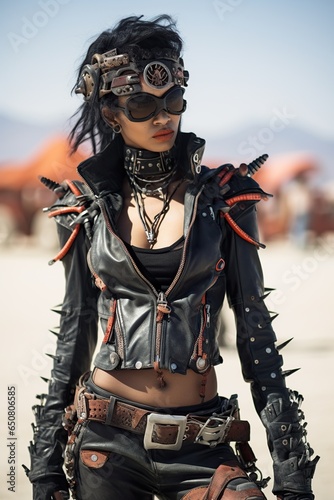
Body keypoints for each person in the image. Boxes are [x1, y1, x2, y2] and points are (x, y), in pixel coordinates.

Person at [25, 15, 318, 500]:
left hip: (204, 448)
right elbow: (73, 337)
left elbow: (255, 335)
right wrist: (45, 471)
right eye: (142, 104)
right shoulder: (84, 209)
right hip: (106, 445)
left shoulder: (226, 201)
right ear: (111, 111)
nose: (164, 117)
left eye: (173, 101)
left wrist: (292, 473)